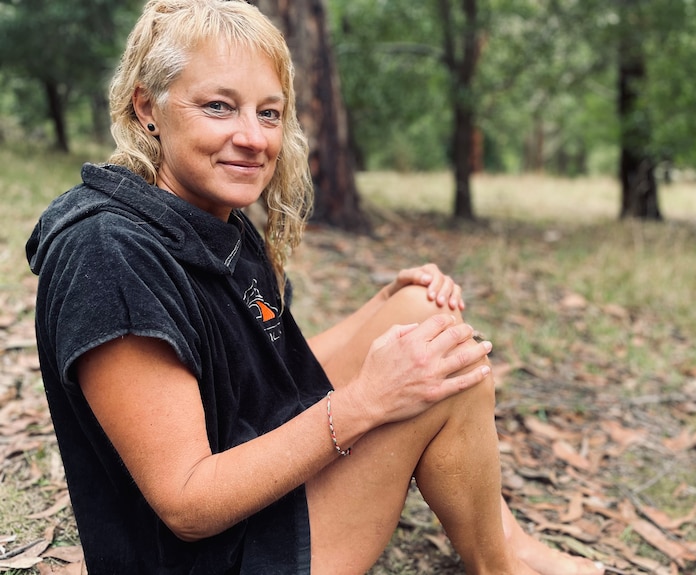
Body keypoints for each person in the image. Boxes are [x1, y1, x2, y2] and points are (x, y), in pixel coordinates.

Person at [25, 1, 605, 573]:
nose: (253, 138)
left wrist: (386, 310)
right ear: (148, 108)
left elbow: (266, 374)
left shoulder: (206, 213)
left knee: (422, 316)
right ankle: (499, 567)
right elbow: (187, 503)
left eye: (269, 113)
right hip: (216, 555)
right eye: (219, 107)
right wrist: (366, 401)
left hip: (253, 503)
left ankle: (514, 546)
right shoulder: (109, 256)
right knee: (447, 379)